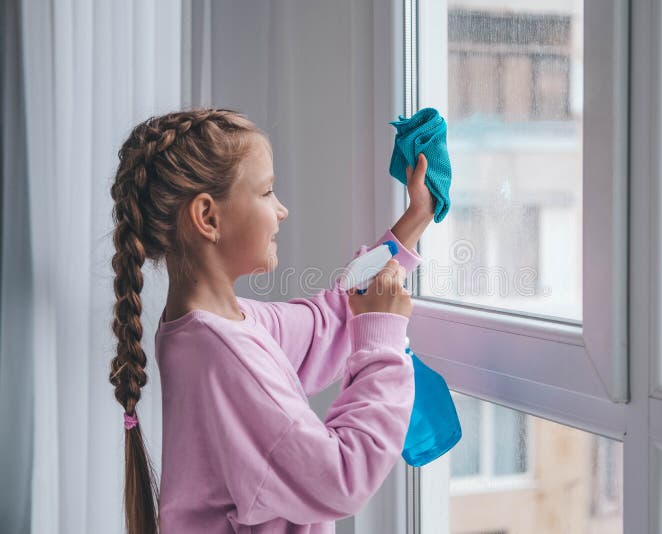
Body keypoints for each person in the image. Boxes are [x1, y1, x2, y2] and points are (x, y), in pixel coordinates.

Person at [108, 108, 433, 533]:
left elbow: (325, 326)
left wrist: (413, 222)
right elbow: (340, 478)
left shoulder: (207, 328)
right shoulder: (222, 354)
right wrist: (383, 342)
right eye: (266, 193)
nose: (281, 211)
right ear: (207, 217)